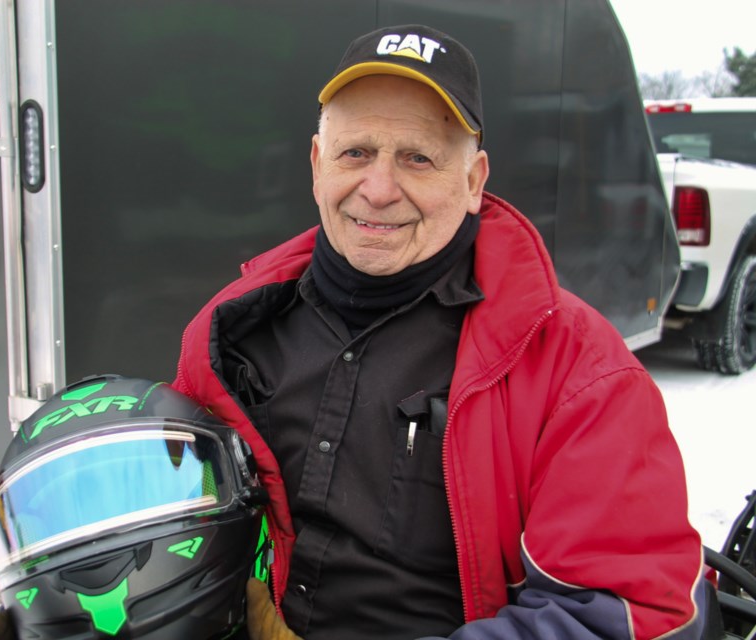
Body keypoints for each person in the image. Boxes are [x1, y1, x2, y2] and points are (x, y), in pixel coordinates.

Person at [171, 24, 710, 640]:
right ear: (318, 166)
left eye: (417, 158)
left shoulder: (577, 370)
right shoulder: (230, 332)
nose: (378, 190)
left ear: (475, 181)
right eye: (356, 153)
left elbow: (627, 610)